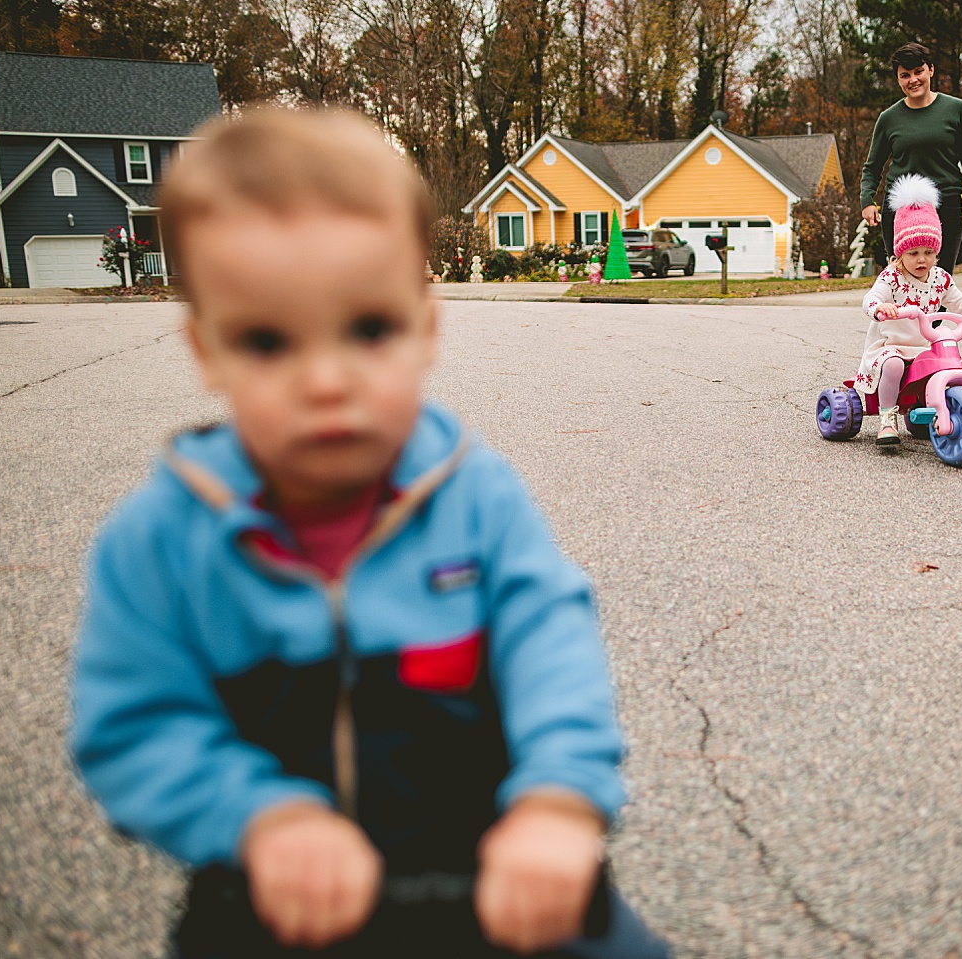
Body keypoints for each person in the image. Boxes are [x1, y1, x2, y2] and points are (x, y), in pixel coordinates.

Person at [70, 107, 671, 959]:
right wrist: (256, 816)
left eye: (368, 329)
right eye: (269, 340)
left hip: (494, 873)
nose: (326, 379)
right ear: (206, 351)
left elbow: (551, 644)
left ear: (425, 330)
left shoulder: (474, 497)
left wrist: (557, 800)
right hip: (277, 892)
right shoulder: (164, 539)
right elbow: (132, 725)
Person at [856, 174, 962, 445]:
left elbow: (960, 301)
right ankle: (888, 419)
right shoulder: (892, 277)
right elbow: (870, 298)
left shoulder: (940, 278)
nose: (922, 259)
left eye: (928, 252)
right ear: (900, 254)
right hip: (891, 345)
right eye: (913, 253)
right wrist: (879, 307)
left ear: (937, 251)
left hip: (924, 346)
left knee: (949, 364)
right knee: (895, 365)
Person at [859, 41, 962, 273]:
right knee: (903, 281)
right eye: (905, 75)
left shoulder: (955, 109)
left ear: (930, 70)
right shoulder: (889, 118)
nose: (913, 80)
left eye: (918, 71)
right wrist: (867, 200)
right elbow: (873, 167)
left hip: (946, 205)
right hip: (902, 208)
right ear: (898, 79)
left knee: (940, 281)